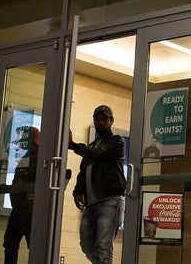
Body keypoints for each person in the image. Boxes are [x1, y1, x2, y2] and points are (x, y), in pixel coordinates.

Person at [68, 105, 127, 264]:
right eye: (97, 119)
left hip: (110, 201)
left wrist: (73, 145)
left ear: (111, 121)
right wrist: (77, 191)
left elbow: (99, 154)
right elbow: (83, 171)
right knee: (86, 245)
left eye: (104, 119)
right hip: (91, 203)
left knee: (103, 246)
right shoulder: (92, 146)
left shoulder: (117, 141)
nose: (100, 122)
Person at [3, 126, 39, 264]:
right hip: (21, 207)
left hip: (26, 208)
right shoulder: (26, 155)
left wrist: (21, 184)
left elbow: (37, 180)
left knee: (11, 244)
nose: (18, 142)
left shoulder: (33, 155)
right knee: (14, 244)